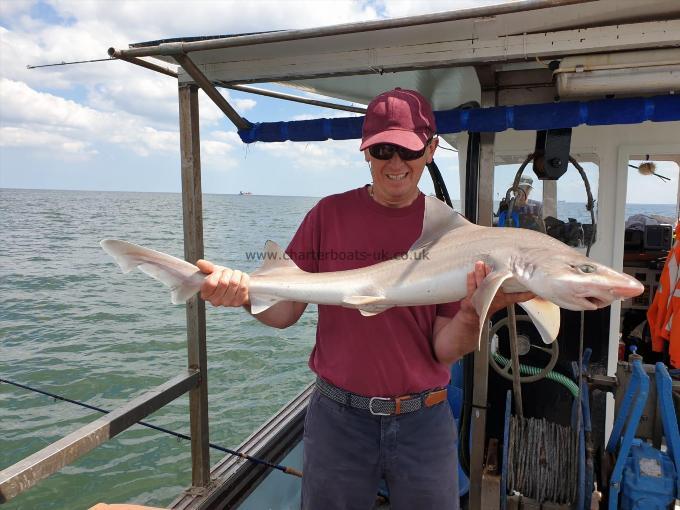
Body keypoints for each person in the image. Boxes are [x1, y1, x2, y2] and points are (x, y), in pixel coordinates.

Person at [196, 88, 533, 509]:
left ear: (430, 150)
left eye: (408, 151)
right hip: (339, 420)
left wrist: (476, 310)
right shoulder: (328, 215)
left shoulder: (454, 233)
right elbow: (284, 312)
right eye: (383, 150)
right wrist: (243, 295)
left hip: (423, 420)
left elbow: (445, 348)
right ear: (366, 153)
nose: (395, 164)